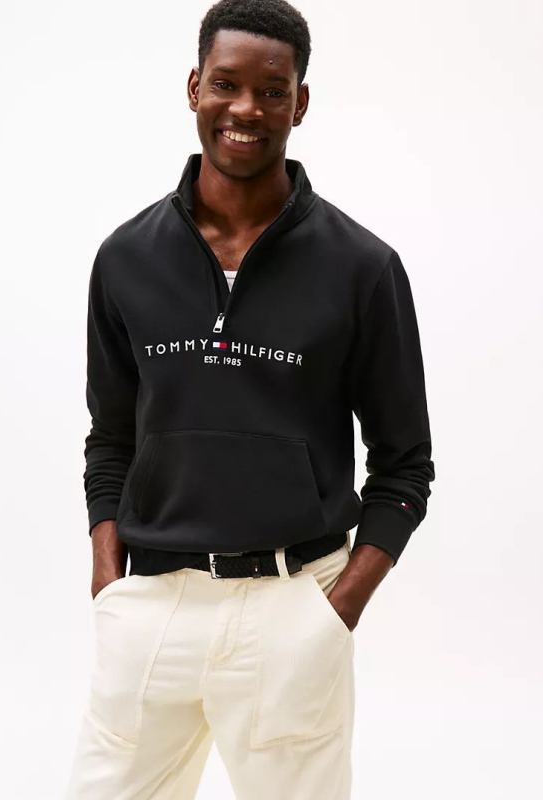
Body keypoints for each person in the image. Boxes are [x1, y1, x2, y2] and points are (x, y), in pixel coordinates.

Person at [62, 0, 435, 797]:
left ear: (300, 103)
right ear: (194, 87)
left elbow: (405, 467)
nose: (247, 109)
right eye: (226, 84)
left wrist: (335, 611)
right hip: (150, 610)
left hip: (294, 605)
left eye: (272, 91)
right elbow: (110, 439)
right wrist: (109, 585)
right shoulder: (125, 259)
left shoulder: (361, 267)